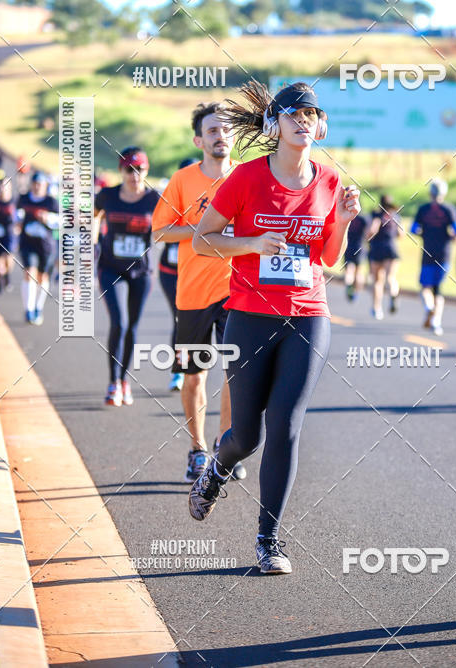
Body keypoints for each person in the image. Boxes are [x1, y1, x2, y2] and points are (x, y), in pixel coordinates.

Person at [189, 80, 360, 575]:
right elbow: (203, 241)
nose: (304, 121)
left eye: (313, 114)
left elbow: (327, 260)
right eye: (294, 114)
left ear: (321, 126)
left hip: (307, 314)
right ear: (275, 123)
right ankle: (217, 467)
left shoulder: (328, 181)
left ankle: (269, 540)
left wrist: (344, 222)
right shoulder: (245, 179)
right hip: (248, 315)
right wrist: (251, 245)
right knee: (246, 435)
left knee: (285, 427)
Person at [152, 107, 246, 484]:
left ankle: (227, 449)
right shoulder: (182, 180)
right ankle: (197, 449)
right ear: (199, 140)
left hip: (235, 291)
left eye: (225, 129)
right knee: (194, 376)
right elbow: (160, 232)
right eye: (211, 130)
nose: (220, 135)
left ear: (233, 137)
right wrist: (204, 229)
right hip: (192, 294)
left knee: (234, 374)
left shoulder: (245, 177)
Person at [94, 147, 159, 407]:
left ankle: (124, 380)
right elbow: (93, 217)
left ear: (147, 171)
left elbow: (165, 229)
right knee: (118, 323)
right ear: (121, 171)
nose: (135, 175)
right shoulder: (107, 195)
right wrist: (93, 242)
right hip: (110, 267)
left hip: (141, 271)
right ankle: (113, 382)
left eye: (140, 170)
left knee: (132, 327)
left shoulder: (154, 199)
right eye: (129, 170)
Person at [158, 158, 196, 394]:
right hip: (171, 271)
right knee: (180, 318)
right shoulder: (169, 199)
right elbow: (157, 231)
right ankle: (178, 370)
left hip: (197, 271)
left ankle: (190, 369)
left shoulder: (207, 199)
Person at [411, 178, 456, 336]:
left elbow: (414, 229)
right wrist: (452, 236)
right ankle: (436, 322)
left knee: (425, 287)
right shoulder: (449, 210)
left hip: (428, 253)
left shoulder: (423, 209)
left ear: (430, 193)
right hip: (444, 254)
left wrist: (425, 232)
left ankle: (428, 307)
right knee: (438, 290)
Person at [16, 171, 59, 325]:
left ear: (46, 185)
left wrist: (48, 219)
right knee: (29, 273)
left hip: (46, 246)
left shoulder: (51, 202)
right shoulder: (24, 198)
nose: (37, 187)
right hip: (27, 243)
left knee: (42, 278)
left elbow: (61, 223)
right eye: (35, 183)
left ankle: (37, 308)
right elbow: (17, 214)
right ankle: (28, 310)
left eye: (40, 184)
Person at [367, 194, 402, 319]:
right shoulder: (395, 216)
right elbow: (401, 234)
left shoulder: (376, 216)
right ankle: (393, 294)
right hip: (392, 248)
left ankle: (377, 309)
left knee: (377, 281)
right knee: (391, 277)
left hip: (377, 249)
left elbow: (371, 231)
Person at [343, 211, 367, 301]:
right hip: (360, 246)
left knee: (349, 269)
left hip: (348, 246)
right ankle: (356, 292)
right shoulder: (363, 219)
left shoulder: (347, 217)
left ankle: (349, 284)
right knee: (359, 272)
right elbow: (368, 232)